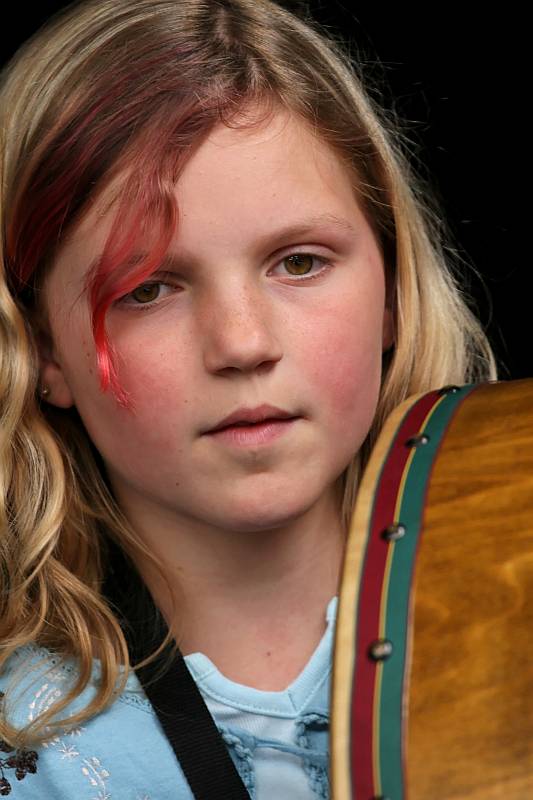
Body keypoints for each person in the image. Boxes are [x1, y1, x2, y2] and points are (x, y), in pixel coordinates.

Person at [0, 0, 498, 797]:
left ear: (393, 289)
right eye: (147, 288)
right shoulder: (27, 754)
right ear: (44, 351)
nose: (242, 343)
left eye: (299, 262)